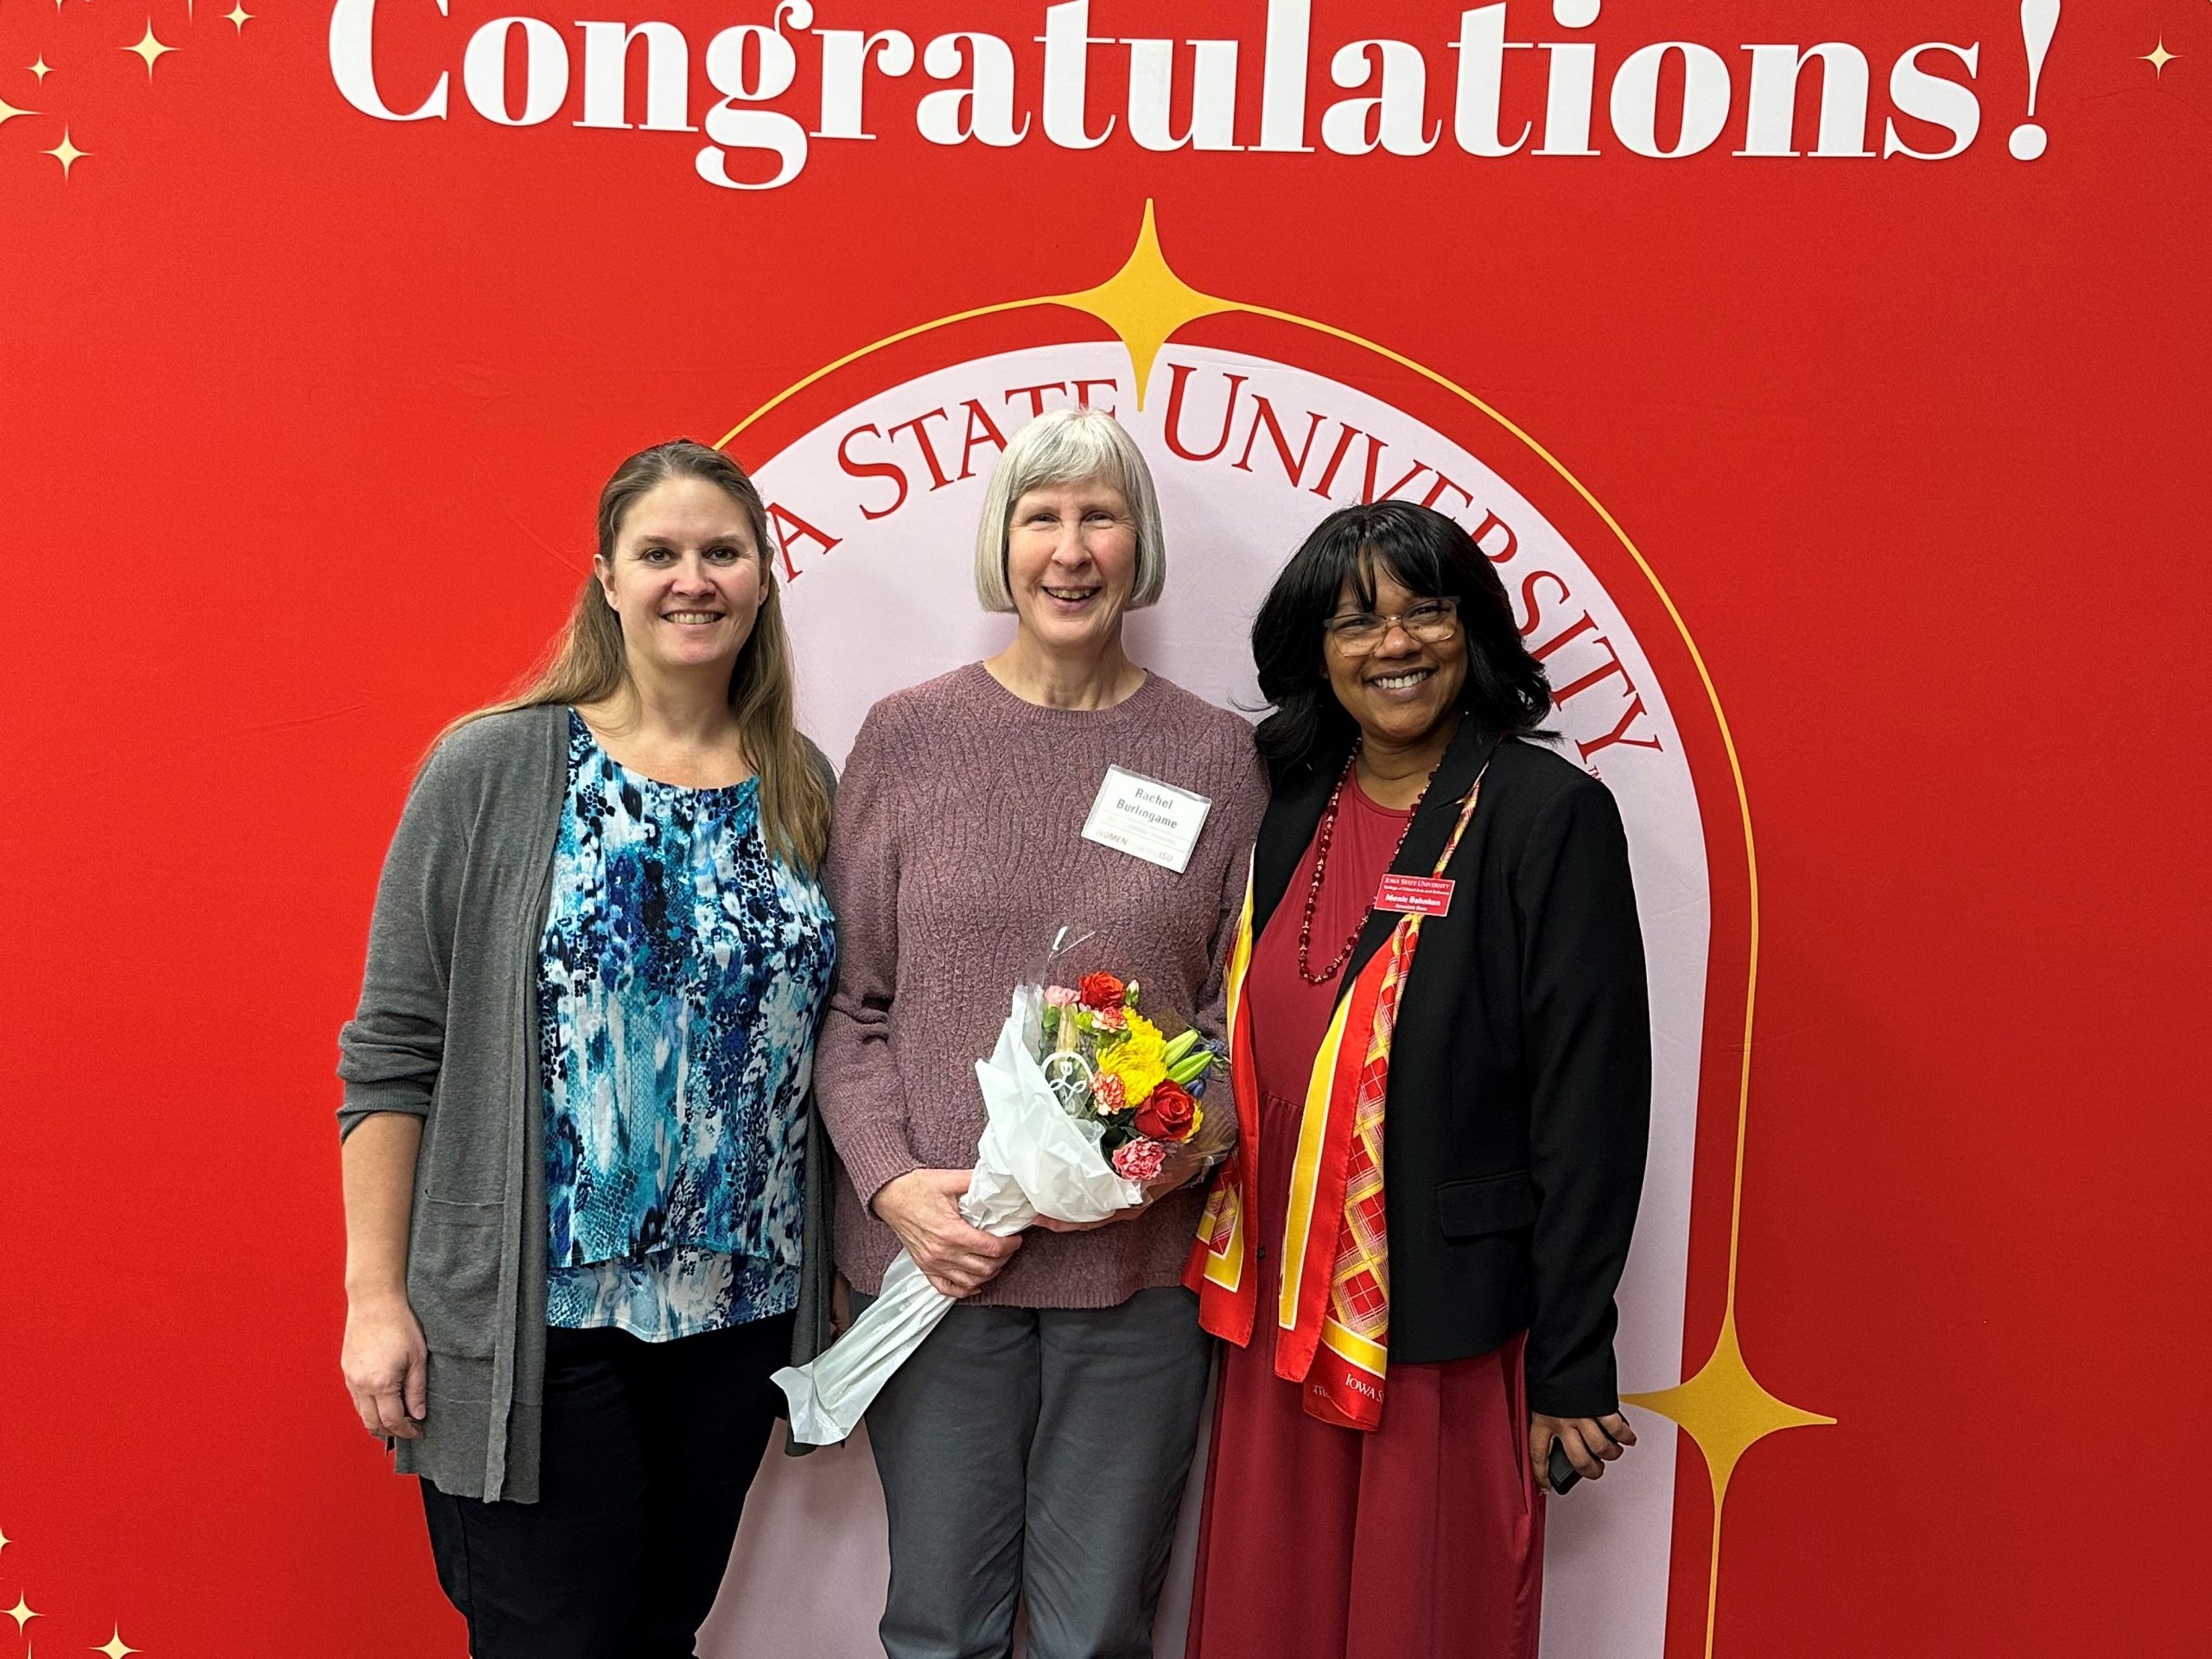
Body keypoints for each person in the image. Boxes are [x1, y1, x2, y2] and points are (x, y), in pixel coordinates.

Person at [335, 439, 839, 1659]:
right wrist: (375, 1298)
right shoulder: (495, 768)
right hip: (539, 1323)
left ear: (763, 580)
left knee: (663, 1633)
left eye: (722, 553)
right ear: (606, 580)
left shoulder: (799, 786)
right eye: (658, 553)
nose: (692, 579)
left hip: (737, 1319)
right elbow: (394, 1051)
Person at [816, 406, 1267, 1659]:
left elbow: (1242, 1027)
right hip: (937, 1268)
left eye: (1100, 516)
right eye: (1042, 517)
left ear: (1140, 544)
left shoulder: (1221, 759)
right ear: (1003, 545)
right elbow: (849, 1004)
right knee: (942, 1630)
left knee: (1095, 1637)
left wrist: (1151, 1165)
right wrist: (898, 1187)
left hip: (1138, 1281)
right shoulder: (910, 738)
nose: (1071, 550)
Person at [1182, 499, 1651, 1659]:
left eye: (1424, 611)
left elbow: (1592, 1110)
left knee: (1421, 1620)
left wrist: (1574, 1359)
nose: (1393, 644)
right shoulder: (1288, 803)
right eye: (1355, 622)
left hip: (1431, 1323)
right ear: (1315, 652)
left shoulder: (1550, 818)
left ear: (1472, 628)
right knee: (1265, 1621)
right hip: (1267, 1322)